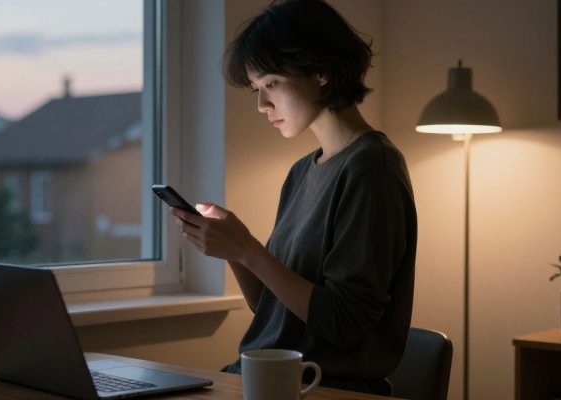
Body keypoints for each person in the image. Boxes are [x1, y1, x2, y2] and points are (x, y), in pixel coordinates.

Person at [169, 0, 417, 396]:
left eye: (271, 84)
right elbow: (273, 309)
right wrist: (232, 248)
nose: (262, 105)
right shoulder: (302, 172)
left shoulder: (373, 168)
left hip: (323, 388)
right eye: (256, 89)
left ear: (321, 71)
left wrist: (248, 249)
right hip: (262, 379)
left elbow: (343, 324)